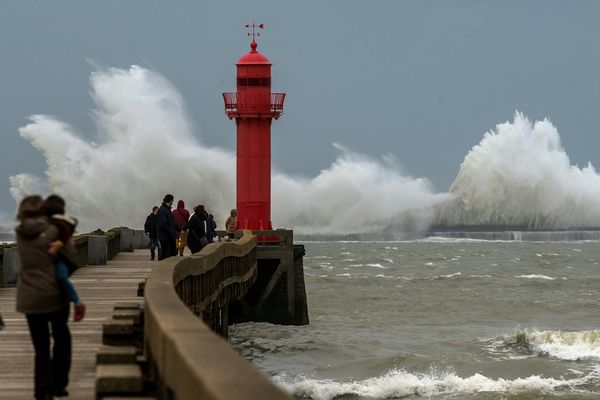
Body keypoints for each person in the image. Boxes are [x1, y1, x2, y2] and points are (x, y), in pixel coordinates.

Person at [15, 195, 83, 400]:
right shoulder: (53, 230)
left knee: (41, 347)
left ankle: (41, 390)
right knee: (62, 337)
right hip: (54, 294)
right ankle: (59, 383)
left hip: (28, 296)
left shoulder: (19, 233)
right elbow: (73, 258)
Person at [156, 194, 178, 260]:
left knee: (171, 254)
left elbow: (171, 222)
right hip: (165, 238)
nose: (173, 202)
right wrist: (171, 232)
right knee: (166, 255)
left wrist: (178, 228)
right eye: (172, 200)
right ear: (170, 200)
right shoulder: (163, 210)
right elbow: (163, 225)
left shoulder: (167, 210)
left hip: (168, 237)